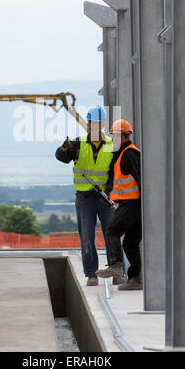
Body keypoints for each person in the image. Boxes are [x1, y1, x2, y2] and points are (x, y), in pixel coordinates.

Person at [55, 105, 124, 286]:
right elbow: (62, 157)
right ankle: (91, 274)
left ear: (102, 124)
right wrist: (62, 150)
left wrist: (110, 190)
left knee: (112, 234)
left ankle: (117, 271)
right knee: (87, 235)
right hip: (85, 197)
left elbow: (115, 170)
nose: (95, 126)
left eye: (99, 123)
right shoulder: (78, 143)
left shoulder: (111, 144)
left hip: (105, 197)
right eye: (93, 123)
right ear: (89, 123)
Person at [95, 119, 143, 290]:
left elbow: (141, 178)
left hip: (133, 203)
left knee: (112, 230)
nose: (113, 139)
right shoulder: (122, 154)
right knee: (130, 243)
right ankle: (135, 279)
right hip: (131, 204)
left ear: (124, 136)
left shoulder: (130, 153)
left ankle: (116, 265)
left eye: (115, 135)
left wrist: (143, 205)